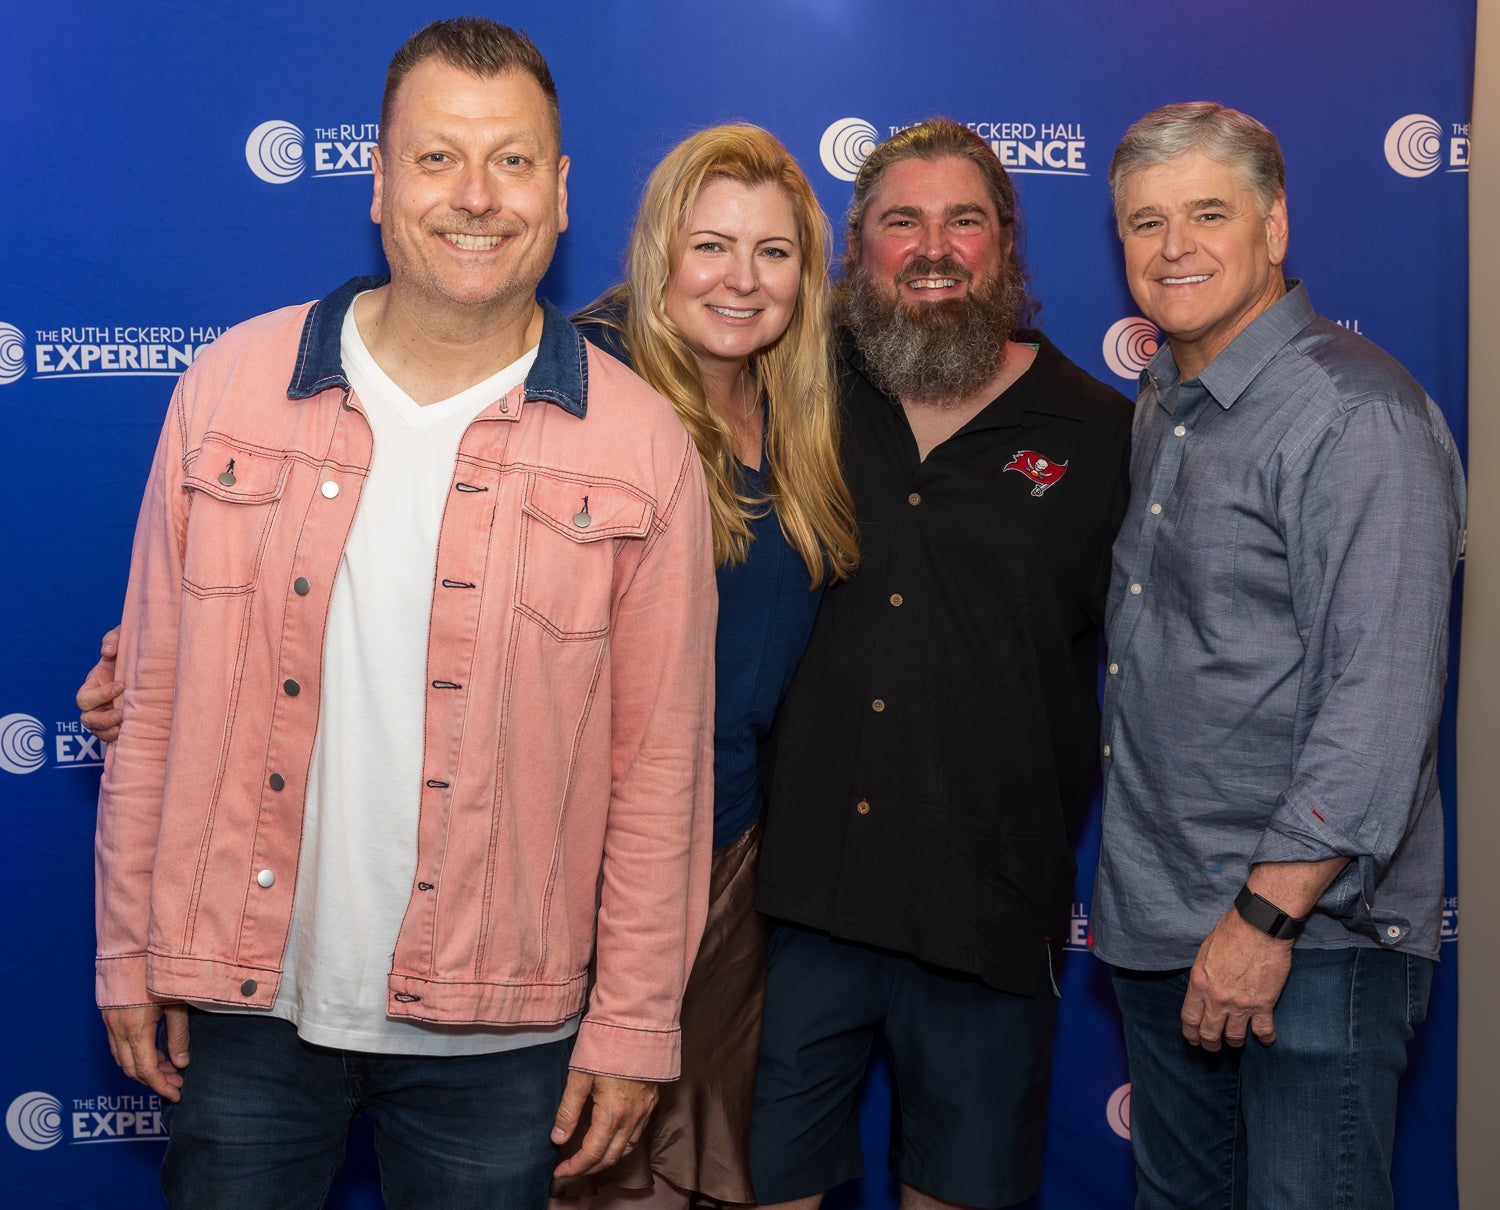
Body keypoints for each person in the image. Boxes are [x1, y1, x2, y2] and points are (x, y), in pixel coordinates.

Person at [81, 121, 856, 1208]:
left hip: (691, 877)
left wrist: (632, 1012)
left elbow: (673, 746)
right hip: (436, 920)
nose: (742, 277)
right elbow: (197, 657)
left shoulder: (792, 419)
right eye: (711, 246)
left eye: (774, 252)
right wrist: (166, 684)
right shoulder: (572, 392)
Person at [749, 119, 1133, 1210]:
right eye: (901, 222)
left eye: (964, 221)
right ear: (856, 247)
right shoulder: (793, 391)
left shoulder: (1103, 433)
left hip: (987, 907)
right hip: (797, 899)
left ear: (1005, 244)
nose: (933, 248)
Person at [1090, 102, 1465, 1210]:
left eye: (1209, 213)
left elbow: (1379, 707)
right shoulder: (1167, 402)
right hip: (1165, 923)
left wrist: (1263, 921)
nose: (1174, 247)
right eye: (1146, 221)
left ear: (1277, 225)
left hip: (1308, 944)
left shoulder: (1356, 416)